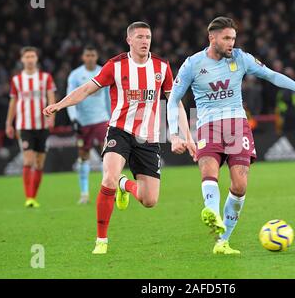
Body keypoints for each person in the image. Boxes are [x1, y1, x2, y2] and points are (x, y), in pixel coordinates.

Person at [167, 17, 295, 255]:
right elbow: (173, 99)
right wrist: (175, 134)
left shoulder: (241, 58)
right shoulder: (192, 64)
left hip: (237, 124)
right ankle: (212, 213)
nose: (231, 43)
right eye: (226, 38)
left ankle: (222, 241)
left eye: (233, 38)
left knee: (240, 184)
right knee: (209, 171)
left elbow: (271, 75)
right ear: (212, 38)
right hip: (208, 125)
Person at [43, 22, 194, 254]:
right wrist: (59, 105)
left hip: (148, 138)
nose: (145, 41)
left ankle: (125, 185)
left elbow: (174, 104)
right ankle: (101, 240)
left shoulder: (162, 67)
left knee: (149, 200)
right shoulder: (115, 66)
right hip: (119, 131)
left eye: (148, 37)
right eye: (140, 37)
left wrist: (185, 135)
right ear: (129, 40)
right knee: (109, 178)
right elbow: (85, 89)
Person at [5, 46, 56, 208]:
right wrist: (9, 123)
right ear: (22, 60)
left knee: (39, 164)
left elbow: (51, 97)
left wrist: (51, 116)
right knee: (28, 160)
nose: (30, 59)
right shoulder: (16, 80)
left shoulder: (45, 78)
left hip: (42, 125)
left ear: (37, 59)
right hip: (24, 125)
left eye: (32, 56)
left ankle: (34, 196)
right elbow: (13, 102)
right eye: (27, 57)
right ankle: (29, 198)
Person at [67, 45, 111, 204]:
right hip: (83, 122)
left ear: (97, 56)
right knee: (83, 156)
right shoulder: (75, 75)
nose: (90, 57)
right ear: (83, 57)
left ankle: (106, 191)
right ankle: (84, 193)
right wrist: (73, 119)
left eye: (93, 54)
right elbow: (70, 97)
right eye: (88, 55)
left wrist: (112, 117)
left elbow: (108, 97)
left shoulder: (104, 71)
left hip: (102, 119)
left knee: (106, 155)